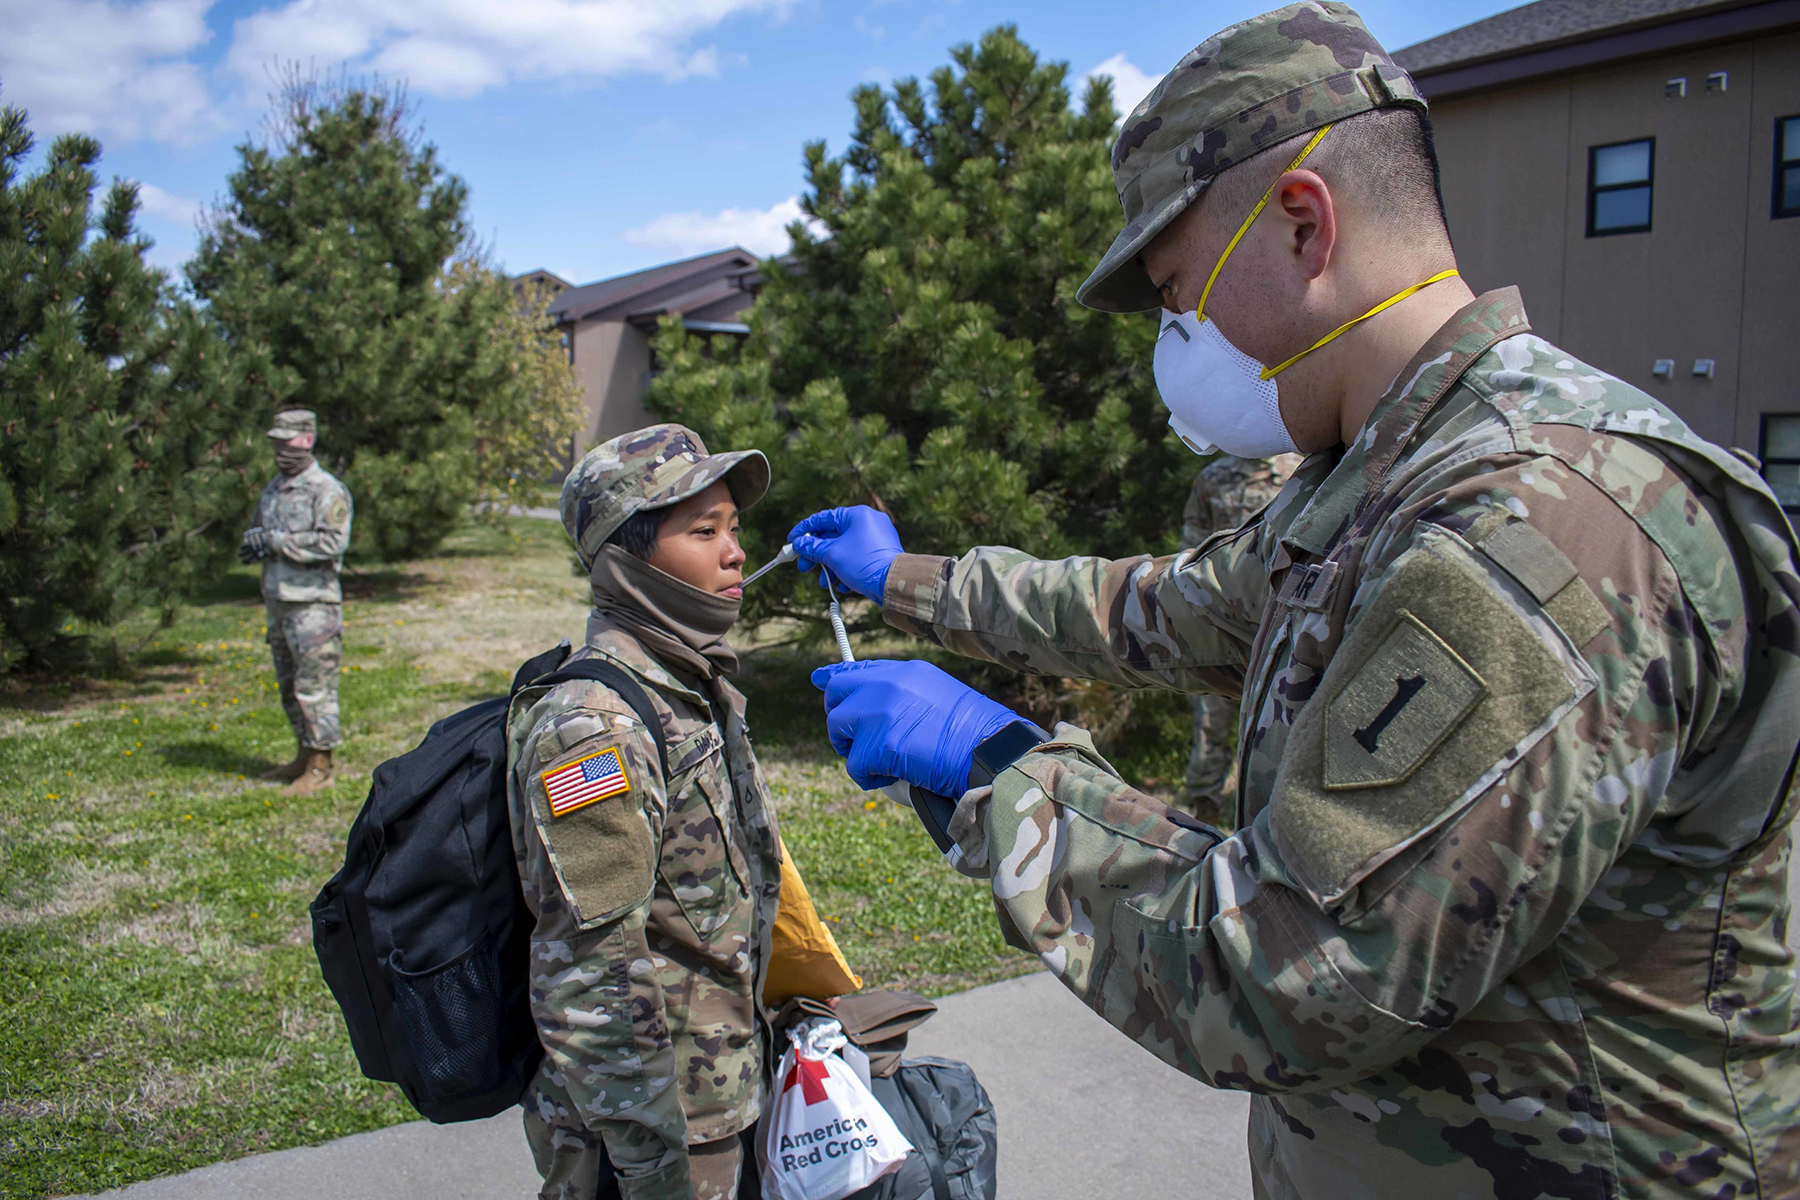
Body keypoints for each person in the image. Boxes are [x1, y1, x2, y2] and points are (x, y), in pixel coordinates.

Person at [787, 4, 1800, 1195]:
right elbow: (1158, 612)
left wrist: (1004, 771)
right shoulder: (1386, 481)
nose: (1181, 338)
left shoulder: (1536, 521)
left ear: (1305, 225)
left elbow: (1287, 972)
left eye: (1178, 294)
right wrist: (905, 579)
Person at [508, 423, 781, 1200]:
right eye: (703, 531)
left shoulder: (685, 680)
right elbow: (587, 973)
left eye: (734, 527)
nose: (734, 552)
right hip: (654, 1131)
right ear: (627, 561)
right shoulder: (596, 727)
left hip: (717, 1094)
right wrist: (652, 1167)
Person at [1177, 452, 1301, 823]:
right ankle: (1204, 815)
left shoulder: (1299, 470)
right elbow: (1191, 551)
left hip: (1285, 624)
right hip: (1224, 625)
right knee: (1211, 724)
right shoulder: (1213, 478)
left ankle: (1270, 825)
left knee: (1282, 727)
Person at [240, 409, 352, 795]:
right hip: (279, 600)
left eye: (286, 440)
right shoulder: (274, 487)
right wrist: (255, 541)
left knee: (314, 685)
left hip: (313, 606)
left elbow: (333, 541)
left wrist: (277, 542)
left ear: (306, 439)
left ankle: (322, 766)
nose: (279, 449)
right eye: (276, 441)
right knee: (289, 685)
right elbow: (264, 528)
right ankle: (303, 755)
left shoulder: (326, 488)